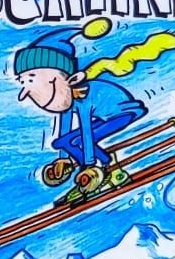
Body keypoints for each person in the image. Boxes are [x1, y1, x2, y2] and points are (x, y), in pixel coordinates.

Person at [12, 25, 149, 204]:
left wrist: (88, 164)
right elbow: (64, 128)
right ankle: (99, 165)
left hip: (122, 113)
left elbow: (86, 132)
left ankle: (104, 166)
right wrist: (63, 160)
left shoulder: (82, 95)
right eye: (23, 81)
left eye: (31, 79)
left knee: (78, 141)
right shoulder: (66, 98)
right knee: (60, 142)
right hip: (105, 118)